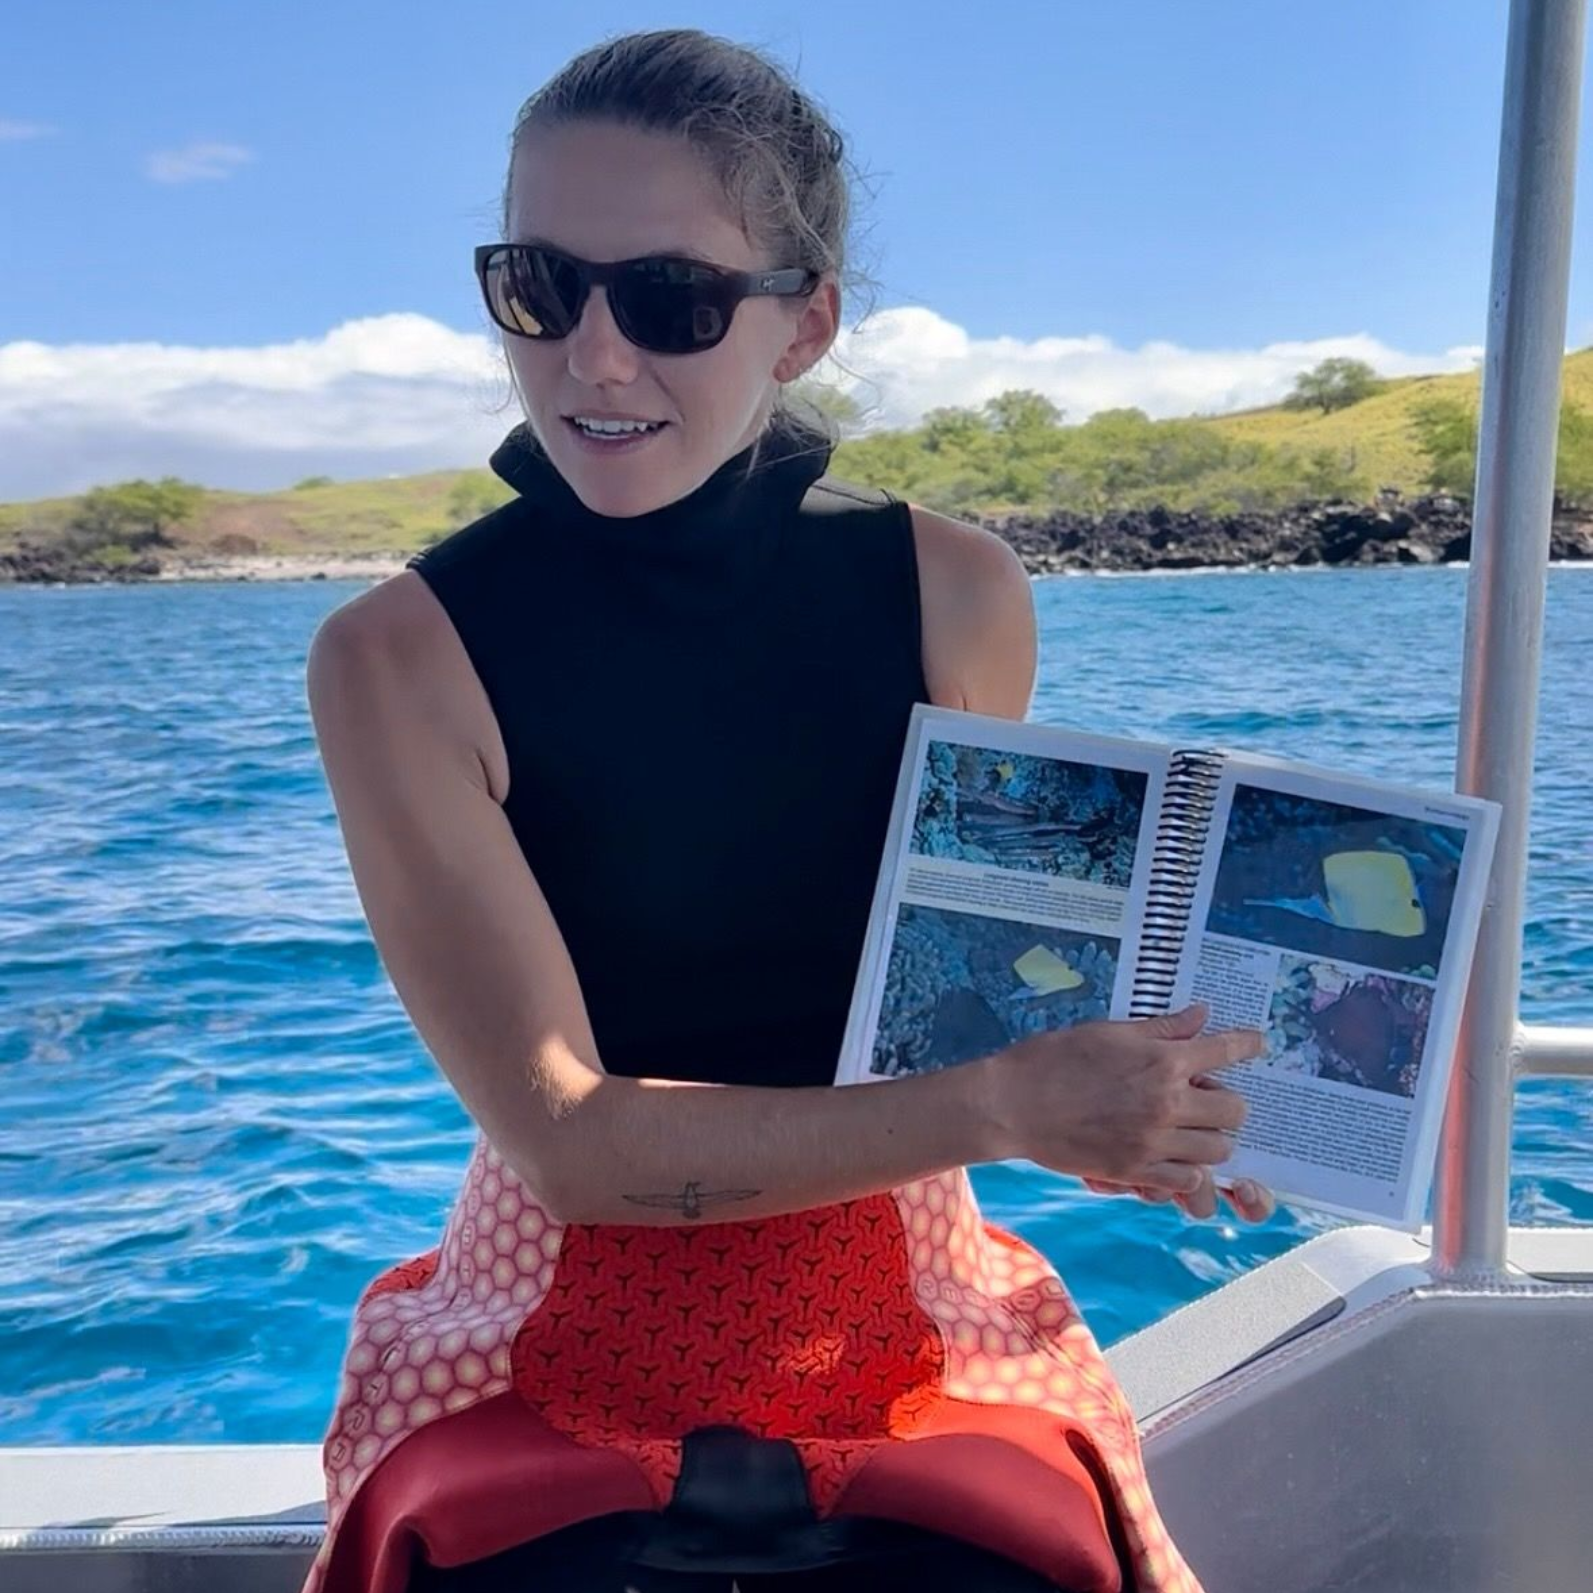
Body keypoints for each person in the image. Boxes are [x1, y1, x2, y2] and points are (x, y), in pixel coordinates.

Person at [298, 29, 1274, 1593]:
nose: (594, 357)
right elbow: (570, 1147)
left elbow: (961, 1006)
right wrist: (1018, 1106)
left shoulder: (957, 594)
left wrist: (1157, 1110)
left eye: (672, 302)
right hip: (559, 1323)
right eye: (539, 288)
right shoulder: (394, 660)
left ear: (804, 324)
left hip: (915, 1290)